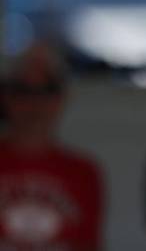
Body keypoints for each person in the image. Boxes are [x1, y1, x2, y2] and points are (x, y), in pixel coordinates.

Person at [0, 43, 103, 250]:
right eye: (22, 90)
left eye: (47, 89)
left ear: (61, 98)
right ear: (5, 96)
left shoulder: (84, 173)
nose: (34, 102)